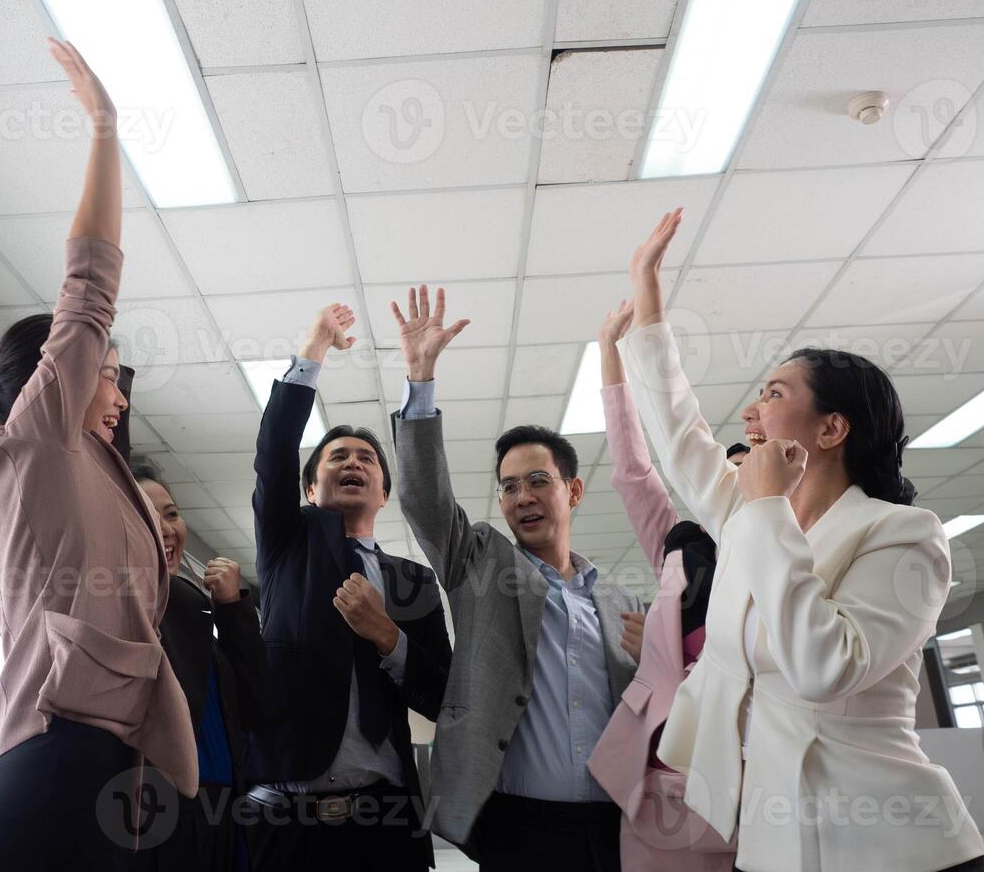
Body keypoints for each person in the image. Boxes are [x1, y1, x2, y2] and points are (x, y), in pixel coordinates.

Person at [617, 208, 984, 872]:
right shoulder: (744, 516)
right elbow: (676, 434)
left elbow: (823, 667)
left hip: (892, 849)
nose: (750, 412)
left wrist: (763, 508)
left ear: (831, 428)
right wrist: (646, 298)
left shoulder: (903, 536)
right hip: (770, 846)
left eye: (773, 393)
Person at [0, 39, 196, 871]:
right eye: (108, 375)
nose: (119, 395)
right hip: (51, 774)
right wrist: (106, 128)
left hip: (99, 775)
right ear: (58, 379)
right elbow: (89, 289)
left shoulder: (62, 477)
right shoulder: (34, 442)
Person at [389, 285, 643, 872]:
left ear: (573, 491)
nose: (521, 497)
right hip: (518, 828)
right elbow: (427, 502)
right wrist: (420, 378)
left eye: (537, 481)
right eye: (508, 486)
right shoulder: (480, 564)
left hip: (616, 828)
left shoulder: (620, 598)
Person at [242, 303, 452, 872]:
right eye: (337, 457)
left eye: (366, 458)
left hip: (383, 823)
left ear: (384, 492)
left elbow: (443, 697)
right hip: (286, 823)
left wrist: (390, 639)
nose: (353, 462)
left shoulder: (414, 582)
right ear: (311, 489)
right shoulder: (288, 543)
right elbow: (274, 456)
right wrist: (313, 350)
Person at [587, 299, 736, 871]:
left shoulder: (794, 564)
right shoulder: (683, 552)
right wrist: (609, 354)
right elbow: (632, 470)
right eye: (732, 467)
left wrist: (658, 649)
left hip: (752, 789)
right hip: (660, 787)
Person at [132, 463, 265, 872]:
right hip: (162, 813)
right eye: (146, 516)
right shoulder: (128, 608)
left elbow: (256, 704)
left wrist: (233, 609)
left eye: (171, 514)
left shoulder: (194, 613)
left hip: (224, 810)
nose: (167, 528)